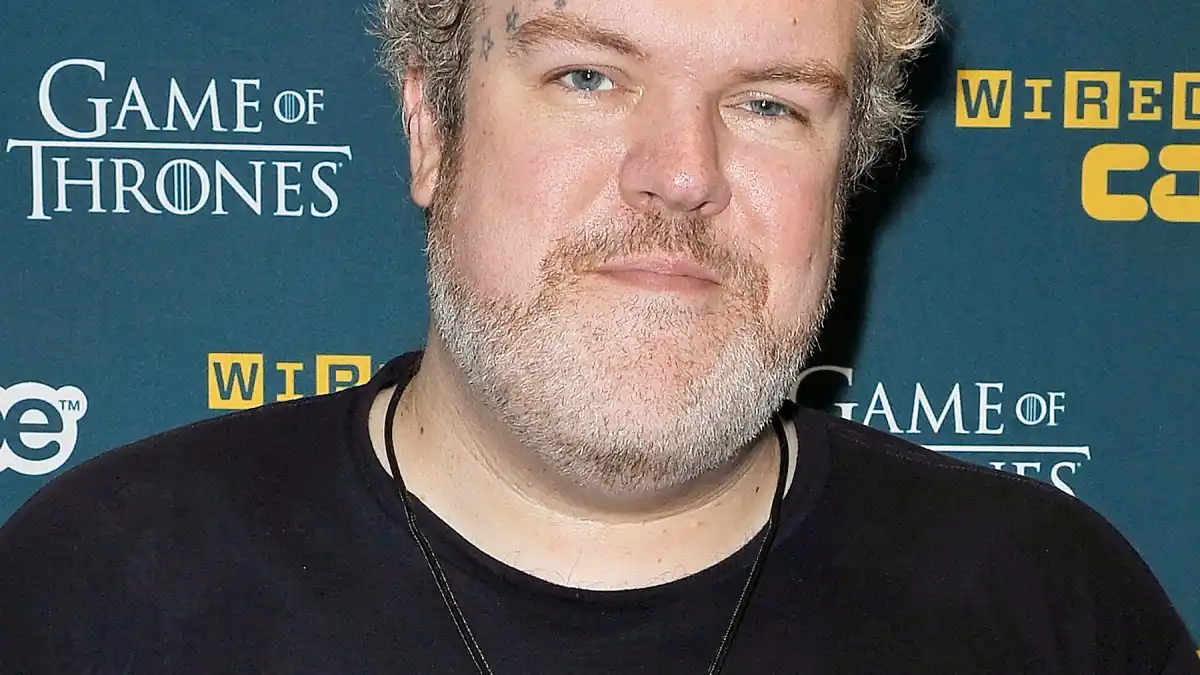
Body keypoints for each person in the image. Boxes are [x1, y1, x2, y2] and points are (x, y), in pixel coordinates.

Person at [1, 0, 1196, 671]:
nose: (681, 173)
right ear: (431, 128)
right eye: (588, 77)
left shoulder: (1050, 611)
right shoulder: (98, 595)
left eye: (768, 102)